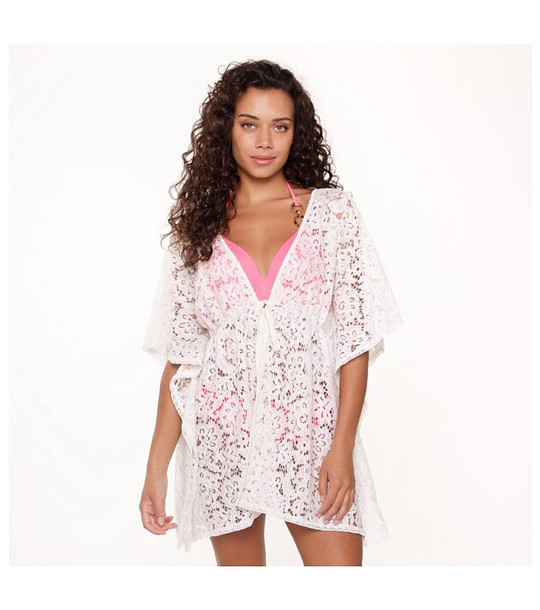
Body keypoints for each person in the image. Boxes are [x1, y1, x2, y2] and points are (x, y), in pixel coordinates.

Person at [139, 59, 403, 566]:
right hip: (221, 440)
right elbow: (182, 358)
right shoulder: (198, 227)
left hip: (311, 435)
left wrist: (342, 446)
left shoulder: (331, 214)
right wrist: (156, 468)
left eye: (279, 126)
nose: (264, 141)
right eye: (249, 124)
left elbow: (355, 341)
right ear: (227, 129)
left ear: (295, 133)